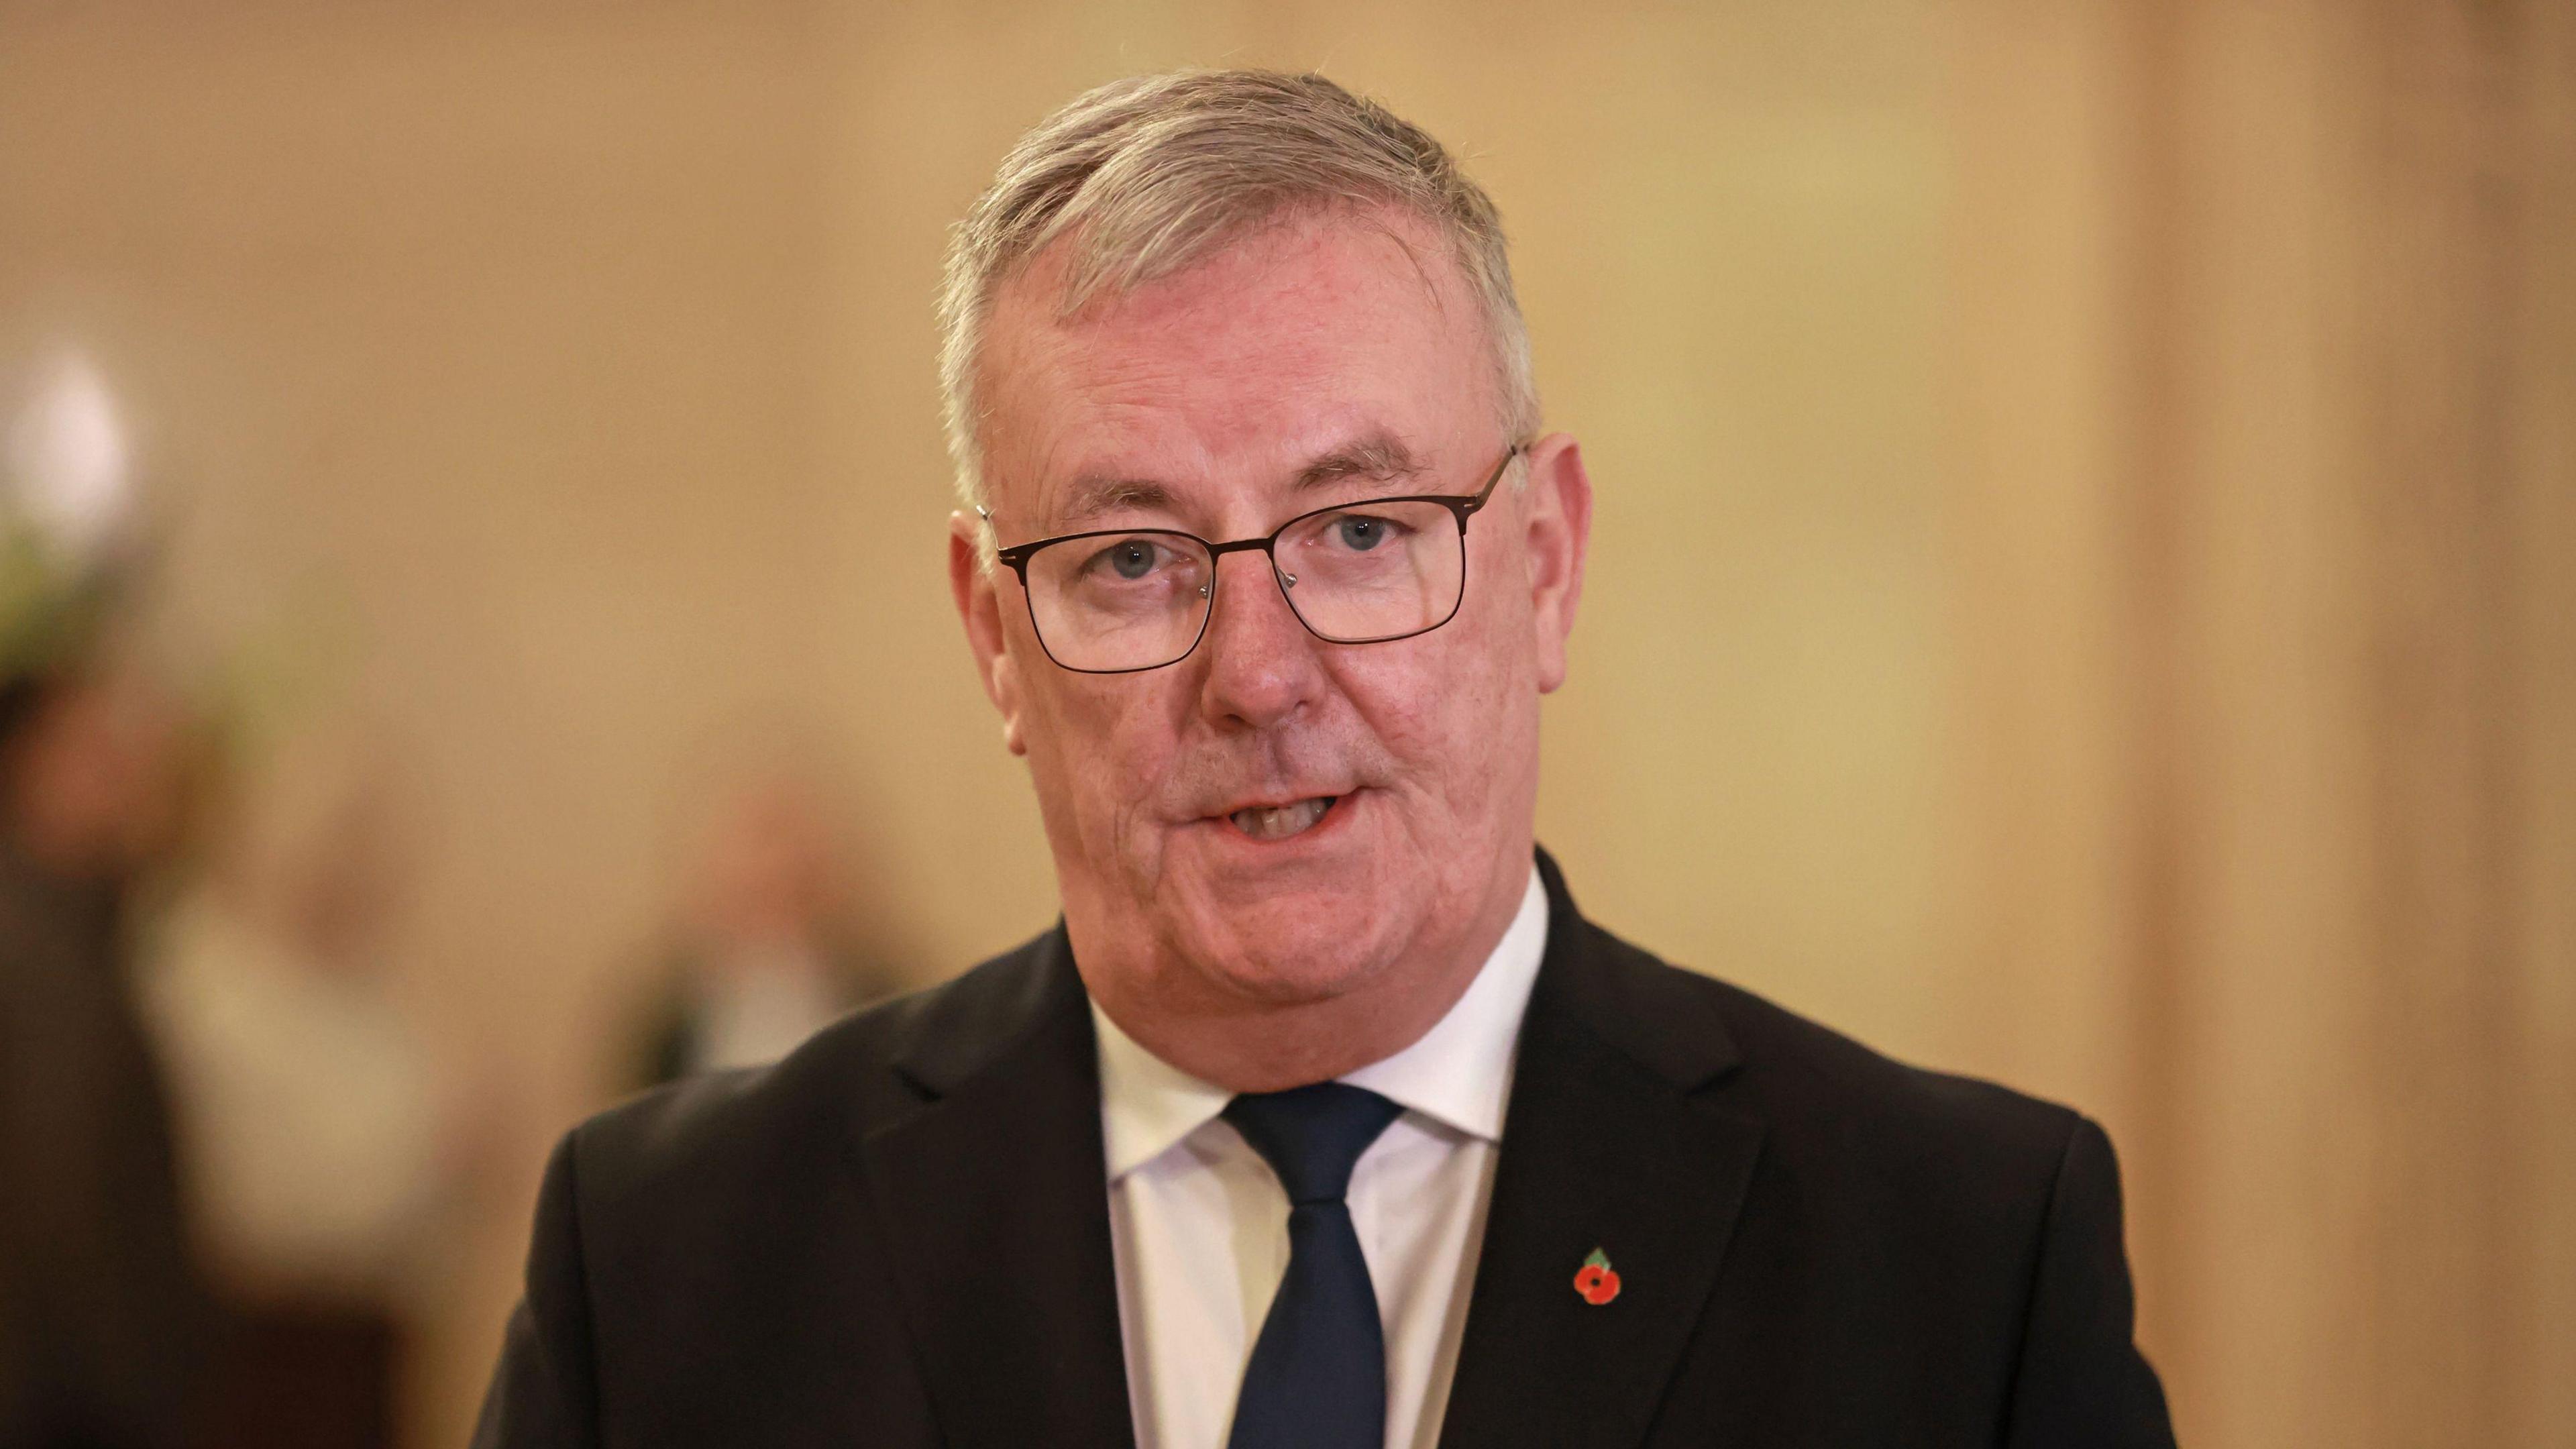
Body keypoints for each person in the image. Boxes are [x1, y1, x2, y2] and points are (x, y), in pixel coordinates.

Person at [474, 70, 2176, 1448]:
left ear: (1546, 565)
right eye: (1133, 559)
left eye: (1361, 530)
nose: (1260, 677)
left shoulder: (1954, 1267)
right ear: (995, 635)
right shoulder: (674, 1268)